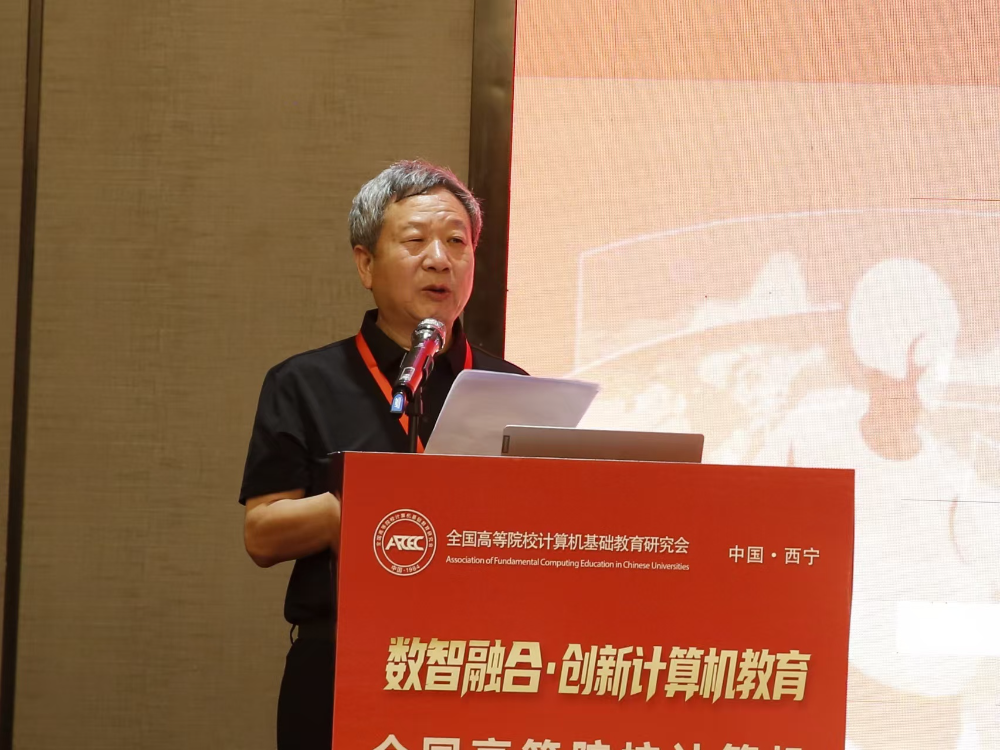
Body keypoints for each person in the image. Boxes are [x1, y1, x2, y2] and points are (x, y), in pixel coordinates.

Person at [238, 160, 527, 750]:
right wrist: (376, 510)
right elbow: (262, 534)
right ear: (366, 264)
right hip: (344, 662)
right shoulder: (305, 382)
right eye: (416, 241)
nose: (440, 260)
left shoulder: (513, 388)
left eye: (457, 242)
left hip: (480, 664)